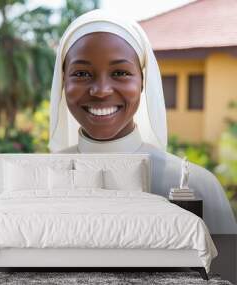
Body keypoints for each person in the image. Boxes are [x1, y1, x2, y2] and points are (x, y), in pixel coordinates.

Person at [48, 9, 237, 234]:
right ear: (62, 83)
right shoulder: (39, 181)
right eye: (81, 74)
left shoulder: (198, 187)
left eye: (120, 73)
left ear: (143, 82)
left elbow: (225, 268)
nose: (100, 91)